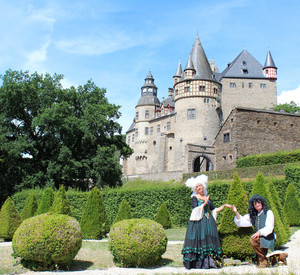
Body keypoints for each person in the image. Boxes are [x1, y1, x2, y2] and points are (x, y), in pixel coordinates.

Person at [181, 174, 229, 269]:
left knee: (209, 239)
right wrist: (204, 204)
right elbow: (195, 209)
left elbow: (214, 209)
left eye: (200, 185)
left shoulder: (207, 197)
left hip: (208, 221)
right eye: (197, 186)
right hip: (199, 221)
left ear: (203, 186)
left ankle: (210, 262)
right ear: (195, 189)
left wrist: (224, 206)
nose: (199, 187)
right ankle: (199, 263)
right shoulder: (195, 197)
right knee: (200, 240)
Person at [229, 194, 276, 268]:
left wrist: (259, 232)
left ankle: (263, 261)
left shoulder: (268, 212)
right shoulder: (254, 216)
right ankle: (279, 257)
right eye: (255, 204)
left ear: (262, 203)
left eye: (258, 203)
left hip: (268, 237)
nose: (257, 205)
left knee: (253, 240)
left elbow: (269, 228)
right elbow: (242, 221)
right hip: (260, 238)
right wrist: (236, 212)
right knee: (256, 260)